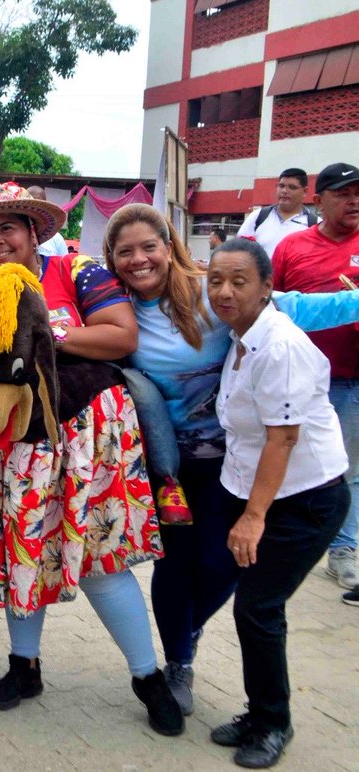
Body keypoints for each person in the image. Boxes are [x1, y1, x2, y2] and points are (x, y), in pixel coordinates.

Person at [0, 182, 183, 736]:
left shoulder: (78, 271)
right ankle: (24, 667)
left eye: (8, 229)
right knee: (23, 550)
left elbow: (121, 336)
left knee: (101, 562)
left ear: (33, 233)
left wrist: (43, 339)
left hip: (86, 437)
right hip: (14, 444)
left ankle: (149, 678)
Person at [103, 202, 359, 716]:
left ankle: (188, 629)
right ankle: (178, 661)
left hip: (235, 463)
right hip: (172, 467)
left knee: (227, 564)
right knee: (174, 566)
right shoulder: (117, 312)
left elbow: (291, 306)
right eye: (125, 251)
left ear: (169, 246)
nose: (138, 260)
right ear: (111, 259)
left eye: (148, 246)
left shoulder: (212, 292)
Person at [205, 237, 349, 769]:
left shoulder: (280, 345)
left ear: (267, 287)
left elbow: (282, 438)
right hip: (270, 491)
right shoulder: (241, 336)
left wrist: (253, 517)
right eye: (216, 280)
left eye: (239, 282)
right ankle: (260, 710)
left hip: (305, 499)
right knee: (257, 609)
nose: (224, 291)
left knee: (259, 608)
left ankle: (273, 722)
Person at [271, 162, 359, 595]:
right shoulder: (291, 247)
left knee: (346, 467)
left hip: (350, 378)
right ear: (319, 200)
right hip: (295, 378)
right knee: (284, 455)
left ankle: (343, 550)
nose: (354, 200)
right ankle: (280, 530)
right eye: (344, 193)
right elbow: (271, 304)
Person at [237, 168, 316, 258]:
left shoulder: (314, 224)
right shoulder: (258, 216)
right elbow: (239, 250)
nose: (284, 191)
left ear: (305, 191)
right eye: (281, 186)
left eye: (292, 187)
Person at [26, 186, 69, 257]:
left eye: (38, 205)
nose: (34, 210)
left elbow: (64, 264)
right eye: (29, 204)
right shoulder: (16, 236)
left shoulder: (56, 239)